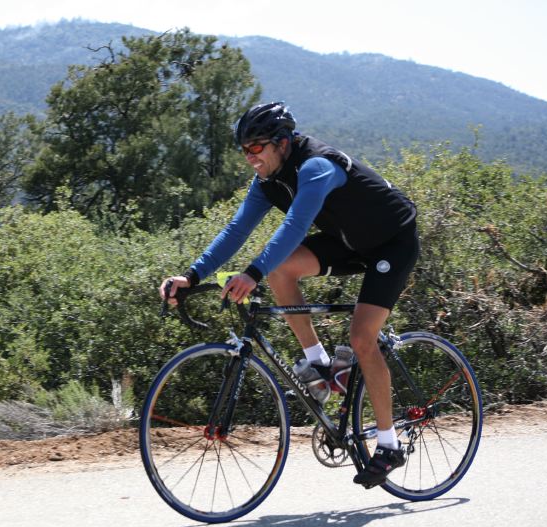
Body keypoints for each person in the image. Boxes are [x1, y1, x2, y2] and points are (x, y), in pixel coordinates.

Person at [160, 102, 419, 487]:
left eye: (256, 148)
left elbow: (296, 225)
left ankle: (388, 443)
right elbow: (237, 229)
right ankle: (321, 366)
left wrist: (252, 273)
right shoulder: (267, 179)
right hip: (347, 242)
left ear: (282, 143)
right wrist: (192, 276)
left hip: (391, 243)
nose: (250, 158)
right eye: (244, 150)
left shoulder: (316, 166)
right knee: (283, 270)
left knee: (363, 338)